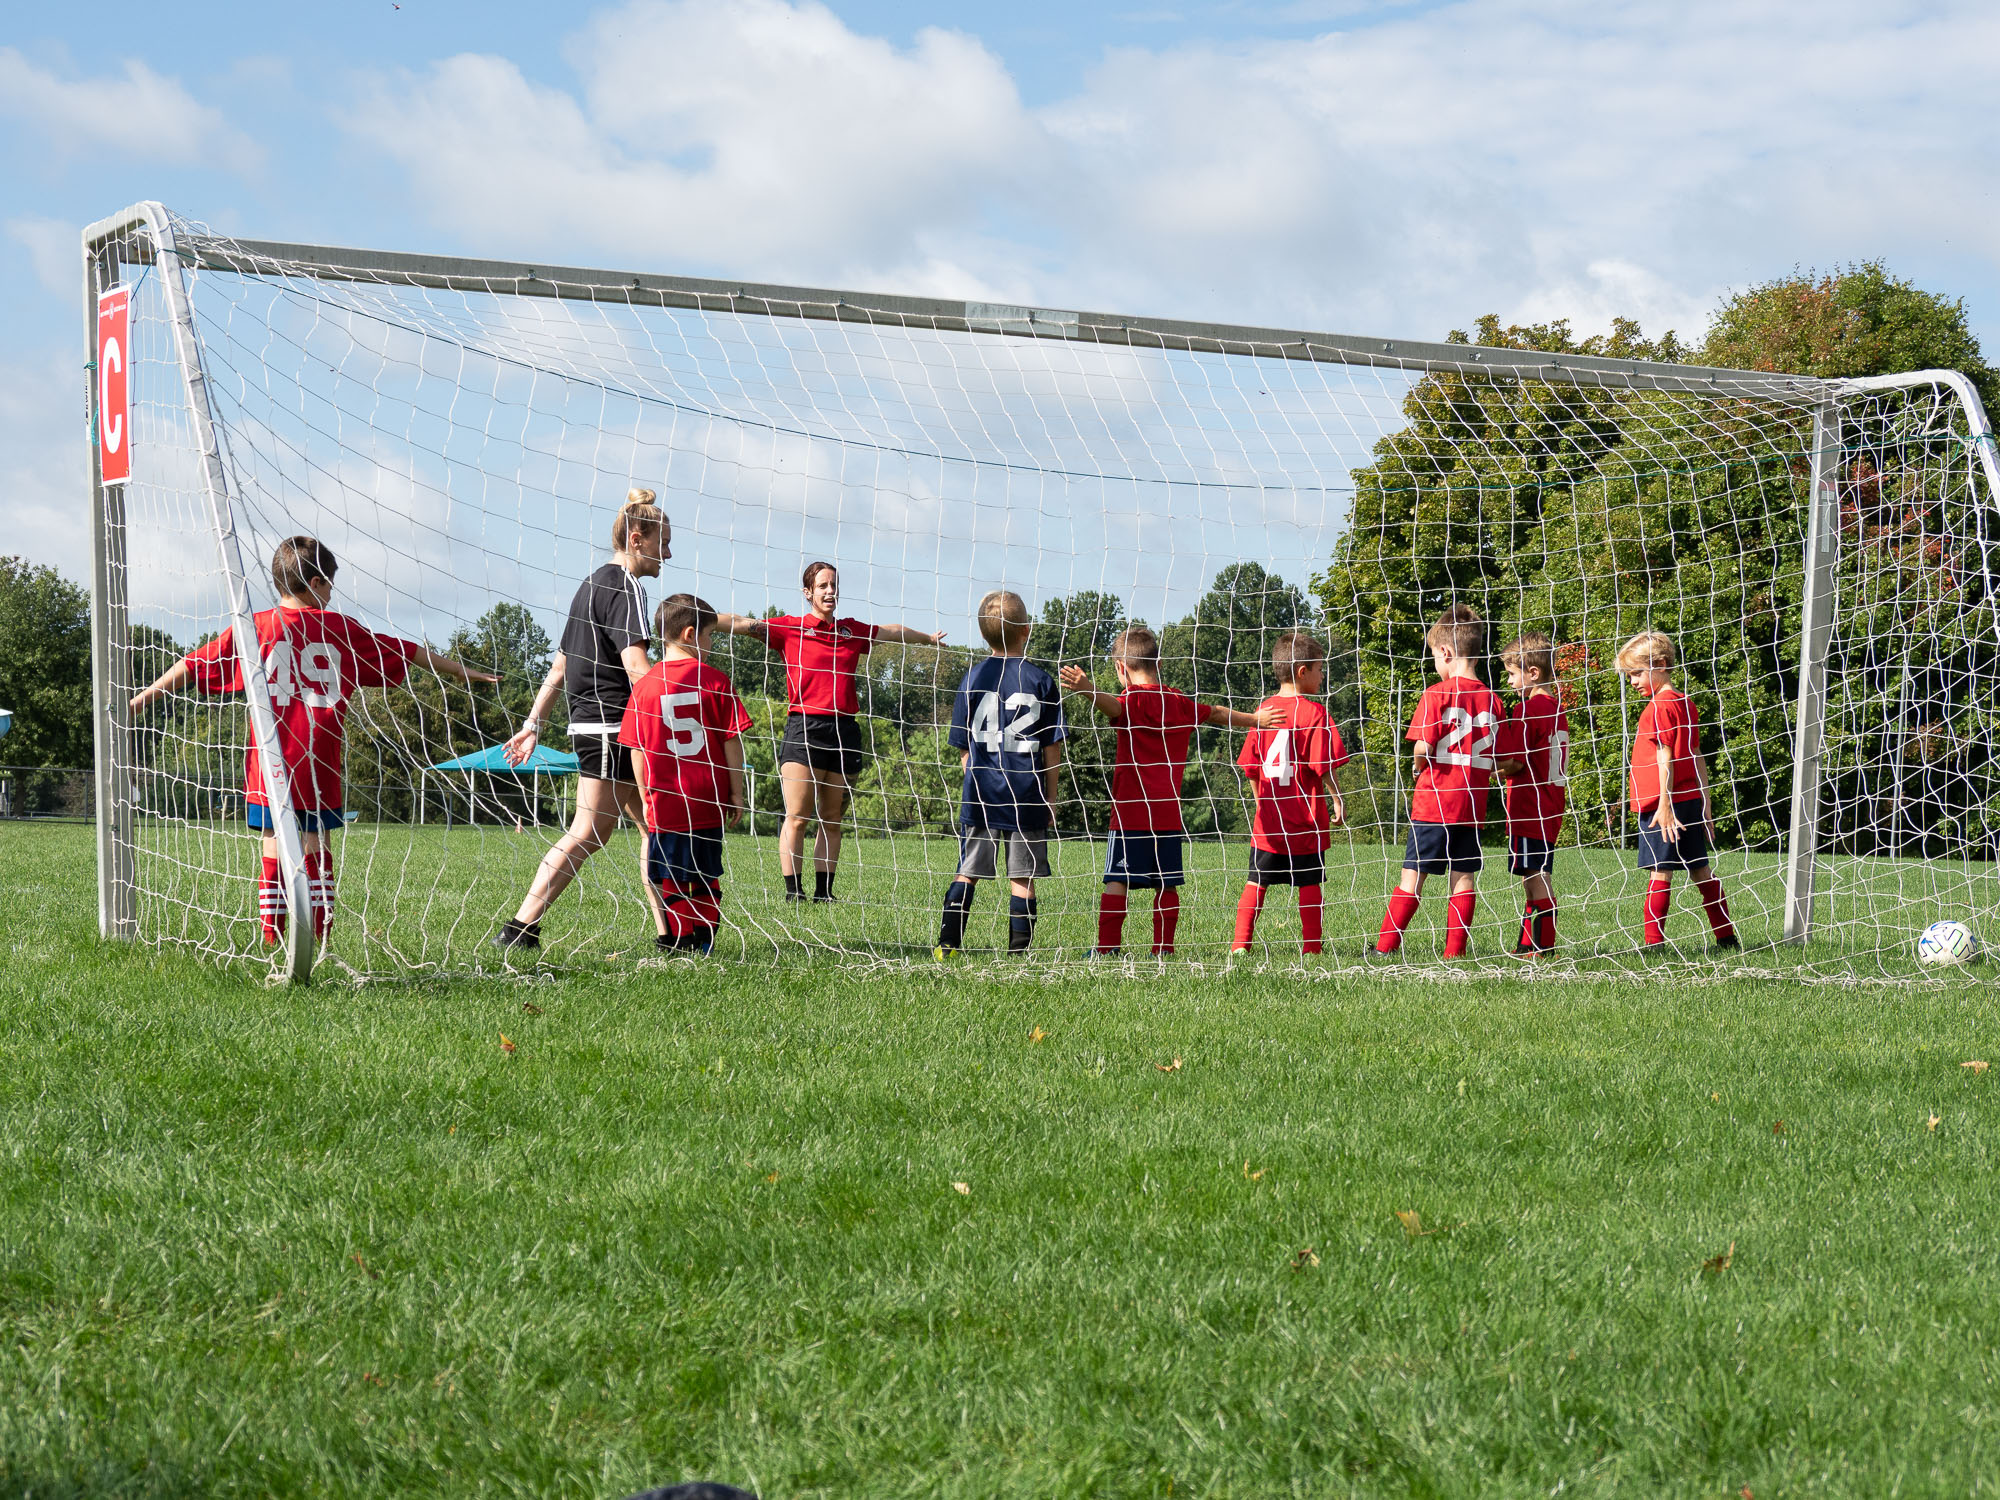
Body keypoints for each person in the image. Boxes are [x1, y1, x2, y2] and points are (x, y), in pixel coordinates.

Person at [128, 535, 496, 946]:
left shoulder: (254, 628)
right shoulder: (341, 629)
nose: (332, 592)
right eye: (331, 583)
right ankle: (320, 932)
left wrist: (141, 699)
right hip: (319, 760)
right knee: (315, 840)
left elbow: (194, 663)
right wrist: (463, 672)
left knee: (272, 841)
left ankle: (271, 934)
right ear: (318, 581)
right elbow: (408, 652)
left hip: (269, 761)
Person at [494, 489, 670, 952]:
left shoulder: (589, 584)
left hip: (596, 725)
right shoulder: (627, 588)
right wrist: (676, 712)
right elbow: (636, 668)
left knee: (655, 827)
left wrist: (533, 723)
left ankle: (670, 934)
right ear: (638, 539)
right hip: (613, 727)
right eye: (663, 543)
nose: (667, 554)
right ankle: (519, 928)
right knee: (589, 831)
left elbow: (559, 667)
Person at [717, 562, 944, 903]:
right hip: (804, 728)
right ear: (808, 592)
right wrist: (695, 617)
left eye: (834, 585)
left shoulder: (851, 632)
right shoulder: (791, 629)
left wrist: (926, 638)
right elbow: (740, 623)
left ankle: (825, 892)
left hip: (845, 731)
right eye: (823, 585)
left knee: (832, 818)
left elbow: (892, 631)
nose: (830, 591)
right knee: (797, 816)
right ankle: (794, 892)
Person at [1059, 628, 1280, 956]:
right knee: (1167, 881)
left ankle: (1106, 949)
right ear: (1159, 662)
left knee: (1116, 879)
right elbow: (1217, 712)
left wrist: (1088, 689)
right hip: (1166, 813)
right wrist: (1255, 719)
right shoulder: (1178, 701)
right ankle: (1163, 948)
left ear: (1121, 668)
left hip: (1131, 814)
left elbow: (1113, 708)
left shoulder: (1131, 701)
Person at [934, 591, 1065, 957]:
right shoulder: (1041, 680)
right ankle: (1018, 954)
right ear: (1027, 629)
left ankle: (947, 944)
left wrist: (975, 778)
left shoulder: (972, 677)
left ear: (982, 633)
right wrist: (1050, 797)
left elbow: (962, 744)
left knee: (967, 870)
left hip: (982, 793)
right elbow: (1052, 747)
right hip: (1027, 794)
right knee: (1022, 878)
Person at [619, 594, 752, 956]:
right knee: (706, 873)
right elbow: (730, 743)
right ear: (691, 634)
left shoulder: (644, 687)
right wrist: (736, 793)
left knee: (671, 875)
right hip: (707, 798)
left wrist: (647, 797)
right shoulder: (716, 681)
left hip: (665, 801)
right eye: (711, 636)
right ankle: (705, 941)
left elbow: (637, 750)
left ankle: (683, 940)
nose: (712, 645)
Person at [1375, 605, 1504, 958]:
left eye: (1434, 656)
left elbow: (1422, 745)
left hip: (1434, 803)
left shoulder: (1436, 693)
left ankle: (1385, 947)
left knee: (1412, 878)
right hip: (1472, 807)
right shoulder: (1493, 700)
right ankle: (1454, 953)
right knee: (1463, 878)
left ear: (1446, 652)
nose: (1435, 664)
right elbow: (1500, 759)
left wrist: (1418, 765)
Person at [1230, 631, 1349, 956]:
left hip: (1269, 823)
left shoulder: (1263, 712)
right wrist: (1337, 798)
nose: (1323, 676)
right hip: (1306, 822)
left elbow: (1251, 767)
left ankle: (1240, 945)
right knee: (1309, 884)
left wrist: (1260, 804)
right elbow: (1323, 765)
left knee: (1257, 882)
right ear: (1302, 672)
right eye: (1319, 669)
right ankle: (1312, 948)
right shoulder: (1315, 714)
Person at [1619, 631, 1739, 951]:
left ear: (1659, 665)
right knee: (1701, 870)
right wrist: (1706, 804)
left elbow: (1665, 756)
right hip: (1690, 801)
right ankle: (1726, 938)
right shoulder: (1686, 703)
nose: (1631, 682)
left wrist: (1665, 805)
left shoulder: (1659, 707)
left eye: (1636, 673)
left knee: (1661, 872)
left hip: (1664, 805)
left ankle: (1653, 944)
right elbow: (1698, 755)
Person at [1494, 631, 1570, 954]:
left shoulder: (1528, 711)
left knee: (1535, 877)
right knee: (1532, 874)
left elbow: (1513, 763)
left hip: (1530, 808)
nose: (1509, 682)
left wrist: (1481, 771)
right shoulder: (1557, 709)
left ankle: (1544, 945)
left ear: (1533, 673)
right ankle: (1527, 945)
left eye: (1512, 674)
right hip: (1551, 806)